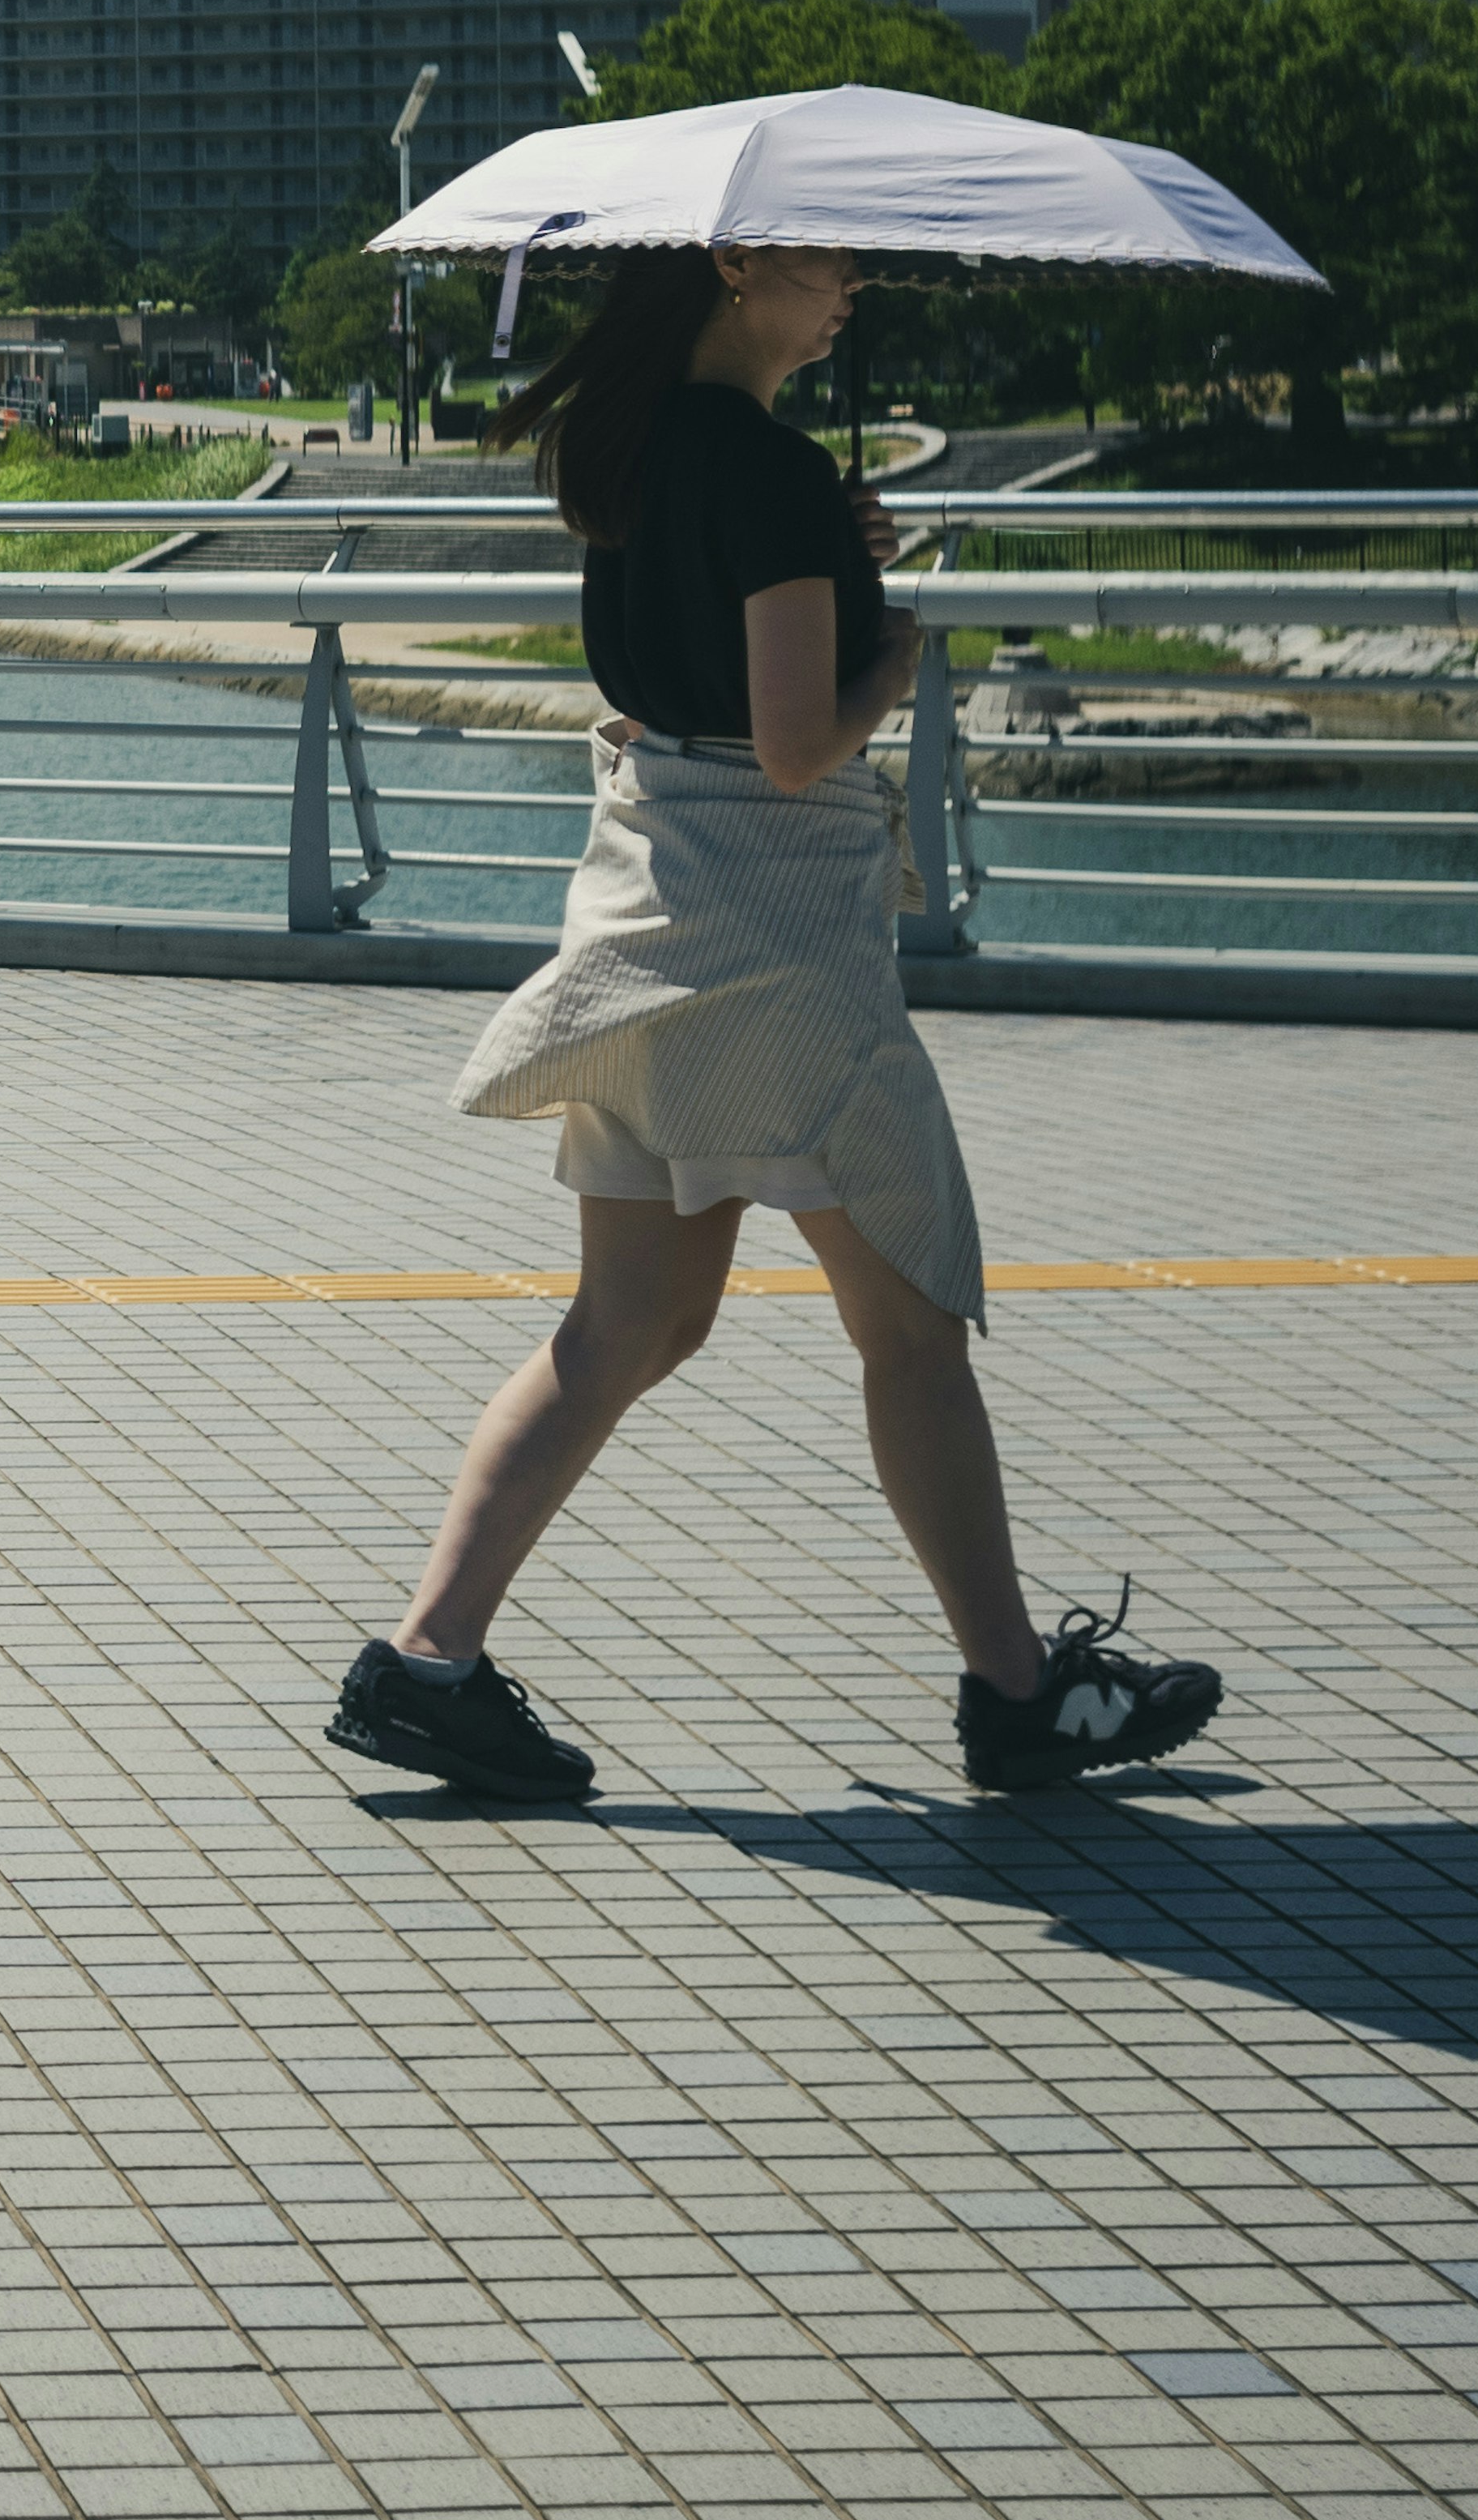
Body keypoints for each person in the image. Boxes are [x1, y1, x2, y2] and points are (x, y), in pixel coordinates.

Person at [326, 237, 1221, 1809]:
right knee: (912, 1326)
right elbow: (802, 744)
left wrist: (830, 544)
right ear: (741, 270)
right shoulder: (776, 471)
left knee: (630, 1328)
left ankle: (427, 1664)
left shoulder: (627, 454)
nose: (854, 290)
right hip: (788, 954)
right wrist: (890, 643)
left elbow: (682, 656)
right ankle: (1021, 1697)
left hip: (647, 911)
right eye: (829, 269)